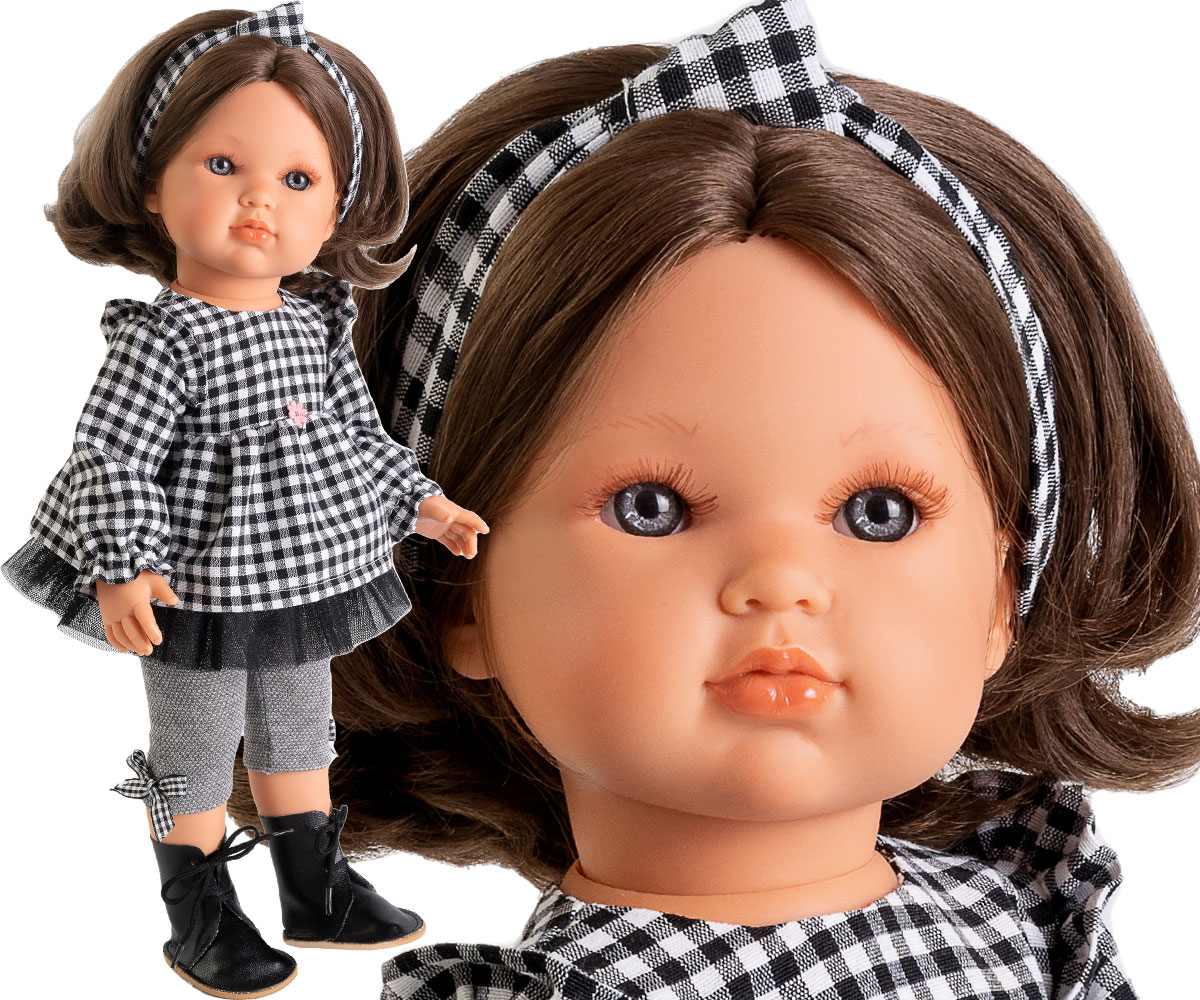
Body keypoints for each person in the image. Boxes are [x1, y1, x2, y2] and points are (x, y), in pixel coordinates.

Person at [273, 1, 1198, 996]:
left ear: (1002, 594)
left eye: (880, 513)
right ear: (460, 590)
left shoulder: (1027, 912)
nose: (780, 582)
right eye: (651, 507)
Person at [2, 4, 486, 996]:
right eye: (223, 166)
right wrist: (123, 565)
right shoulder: (163, 339)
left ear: (339, 209)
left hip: (302, 570)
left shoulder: (313, 325)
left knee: (303, 725)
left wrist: (425, 502)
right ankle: (198, 910)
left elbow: (358, 438)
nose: (259, 199)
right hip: (194, 583)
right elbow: (111, 456)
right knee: (194, 744)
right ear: (151, 183)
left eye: (298, 180)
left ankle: (315, 884)